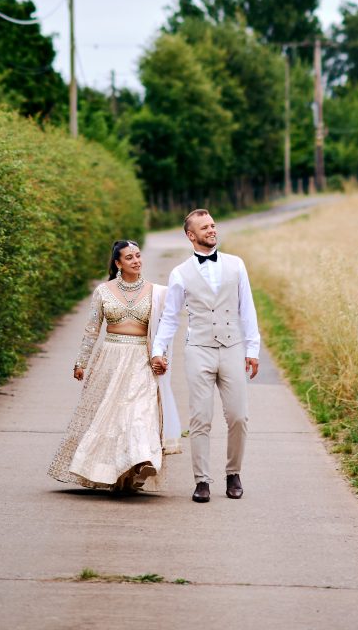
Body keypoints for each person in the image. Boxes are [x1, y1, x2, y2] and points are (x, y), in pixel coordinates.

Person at [47, 240, 181, 493]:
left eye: (139, 256)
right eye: (129, 258)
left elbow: (164, 330)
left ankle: (142, 461)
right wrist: (81, 362)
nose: (137, 261)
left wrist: (159, 356)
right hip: (110, 358)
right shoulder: (103, 291)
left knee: (139, 412)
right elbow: (91, 331)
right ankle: (115, 473)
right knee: (111, 418)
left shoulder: (156, 292)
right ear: (118, 263)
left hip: (141, 358)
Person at [151, 209, 260, 503]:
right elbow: (171, 318)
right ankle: (201, 480)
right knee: (200, 419)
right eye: (205, 227)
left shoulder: (236, 265)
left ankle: (233, 472)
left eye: (213, 225)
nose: (212, 230)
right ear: (191, 235)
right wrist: (158, 350)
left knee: (239, 416)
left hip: (232, 347)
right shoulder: (180, 273)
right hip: (198, 349)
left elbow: (246, 309)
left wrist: (253, 349)